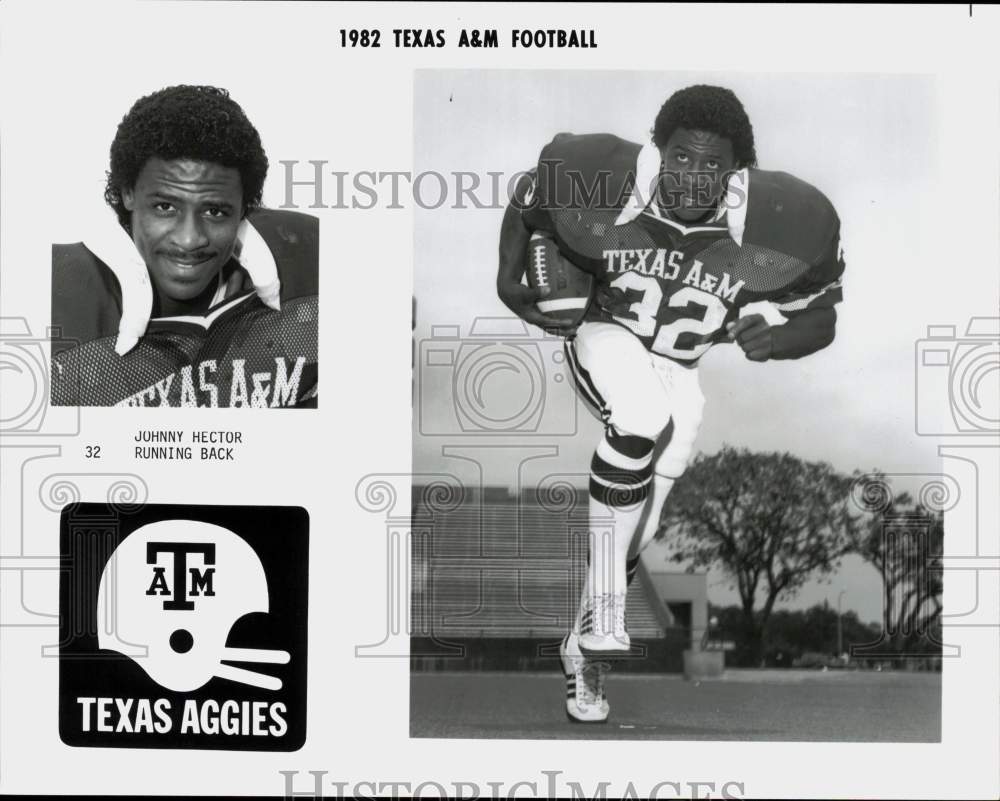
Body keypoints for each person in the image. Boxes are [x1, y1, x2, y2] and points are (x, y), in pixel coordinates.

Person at [497, 85, 844, 723]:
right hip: (606, 333)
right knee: (638, 418)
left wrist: (778, 339)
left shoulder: (779, 226)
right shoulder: (600, 175)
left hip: (680, 367)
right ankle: (605, 612)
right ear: (659, 150)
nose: (693, 176)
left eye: (713, 165)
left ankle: (582, 654)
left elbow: (821, 316)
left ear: (737, 173)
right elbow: (530, 198)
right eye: (682, 157)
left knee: (643, 527)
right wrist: (508, 277)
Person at [51, 85, 318, 408]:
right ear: (127, 193)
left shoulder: (310, 257)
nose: (190, 239)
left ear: (244, 208)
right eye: (165, 207)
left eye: (215, 211)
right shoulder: (54, 296)